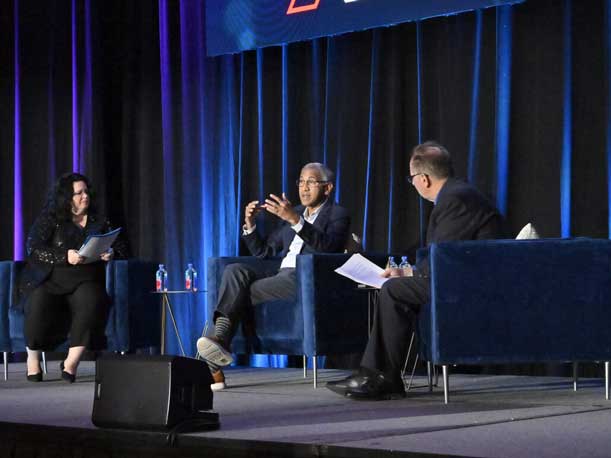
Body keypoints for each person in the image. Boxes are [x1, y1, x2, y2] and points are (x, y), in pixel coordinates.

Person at [327, 141, 503, 400]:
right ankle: (378, 374)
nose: (413, 184)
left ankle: (381, 376)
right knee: (394, 286)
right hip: (459, 277)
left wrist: (407, 273)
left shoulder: (456, 200)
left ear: (424, 179)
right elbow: (434, 253)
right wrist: (404, 268)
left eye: (412, 180)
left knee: (394, 290)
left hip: (472, 285)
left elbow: (444, 255)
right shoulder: (456, 194)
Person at [197, 163, 350, 391]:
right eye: (300, 182)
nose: (304, 188)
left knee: (234, 295)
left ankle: (212, 365)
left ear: (327, 188)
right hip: (280, 272)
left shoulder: (337, 214)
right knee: (234, 271)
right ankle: (217, 345)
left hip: (305, 278)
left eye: (311, 182)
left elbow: (328, 248)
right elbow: (265, 252)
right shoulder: (295, 211)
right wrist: (249, 225)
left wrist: (296, 222)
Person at [19, 172, 129, 383]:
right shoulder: (51, 219)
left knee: (92, 299)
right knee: (37, 303)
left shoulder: (99, 220)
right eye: (79, 193)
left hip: (86, 279)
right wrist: (64, 256)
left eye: (86, 191)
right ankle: (33, 361)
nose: (84, 196)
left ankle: (71, 363)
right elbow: (33, 248)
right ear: (66, 197)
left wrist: (111, 252)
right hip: (51, 278)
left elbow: (121, 246)